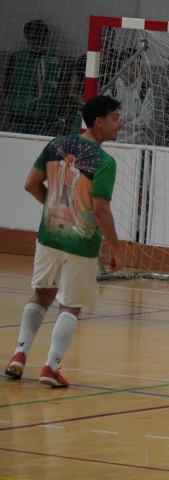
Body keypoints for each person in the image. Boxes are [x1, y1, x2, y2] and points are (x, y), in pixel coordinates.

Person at [4, 95, 125, 388]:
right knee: (70, 306)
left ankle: (19, 354)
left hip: (49, 236)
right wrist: (116, 248)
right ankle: (51, 367)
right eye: (115, 118)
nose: (120, 124)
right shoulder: (104, 161)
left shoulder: (56, 144)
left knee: (41, 295)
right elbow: (100, 209)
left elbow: (30, 184)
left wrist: (55, 208)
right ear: (99, 122)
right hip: (81, 243)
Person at [3, 19, 61, 135]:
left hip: (43, 113)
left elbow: (59, 87)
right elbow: (7, 85)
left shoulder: (53, 59)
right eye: (33, 37)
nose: (36, 41)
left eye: (38, 37)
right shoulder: (17, 57)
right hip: (20, 111)